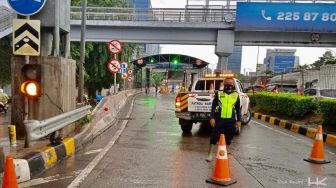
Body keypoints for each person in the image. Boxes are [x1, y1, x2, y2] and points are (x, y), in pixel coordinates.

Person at [206, 78, 241, 162]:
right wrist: (212, 118)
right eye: (227, 83)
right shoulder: (219, 93)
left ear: (233, 84)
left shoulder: (236, 95)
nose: (228, 84)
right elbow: (213, 107)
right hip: (219, 119)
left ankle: (224, 153)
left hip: (231, 119)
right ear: (224, 83)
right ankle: (210, 154)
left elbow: (238, 109)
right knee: (214, 136)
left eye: (230, 83)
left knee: (229, 137)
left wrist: (239, 120)